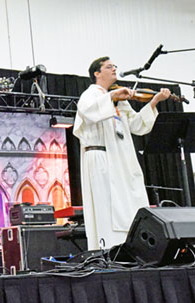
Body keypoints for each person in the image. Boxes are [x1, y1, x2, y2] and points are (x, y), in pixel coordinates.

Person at [73, 56, 171, 250]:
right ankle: (108, 249)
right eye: (109, 67)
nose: (114, 69)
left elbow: (137, 125)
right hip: (100, 157)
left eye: (115, 66)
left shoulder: (120, 101)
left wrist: (154, 101)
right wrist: (111, 96)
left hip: (121, 160)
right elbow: (88, 111)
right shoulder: (91, 94)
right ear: (97, 73)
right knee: (107, 207)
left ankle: (132, 248)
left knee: (129, 203)